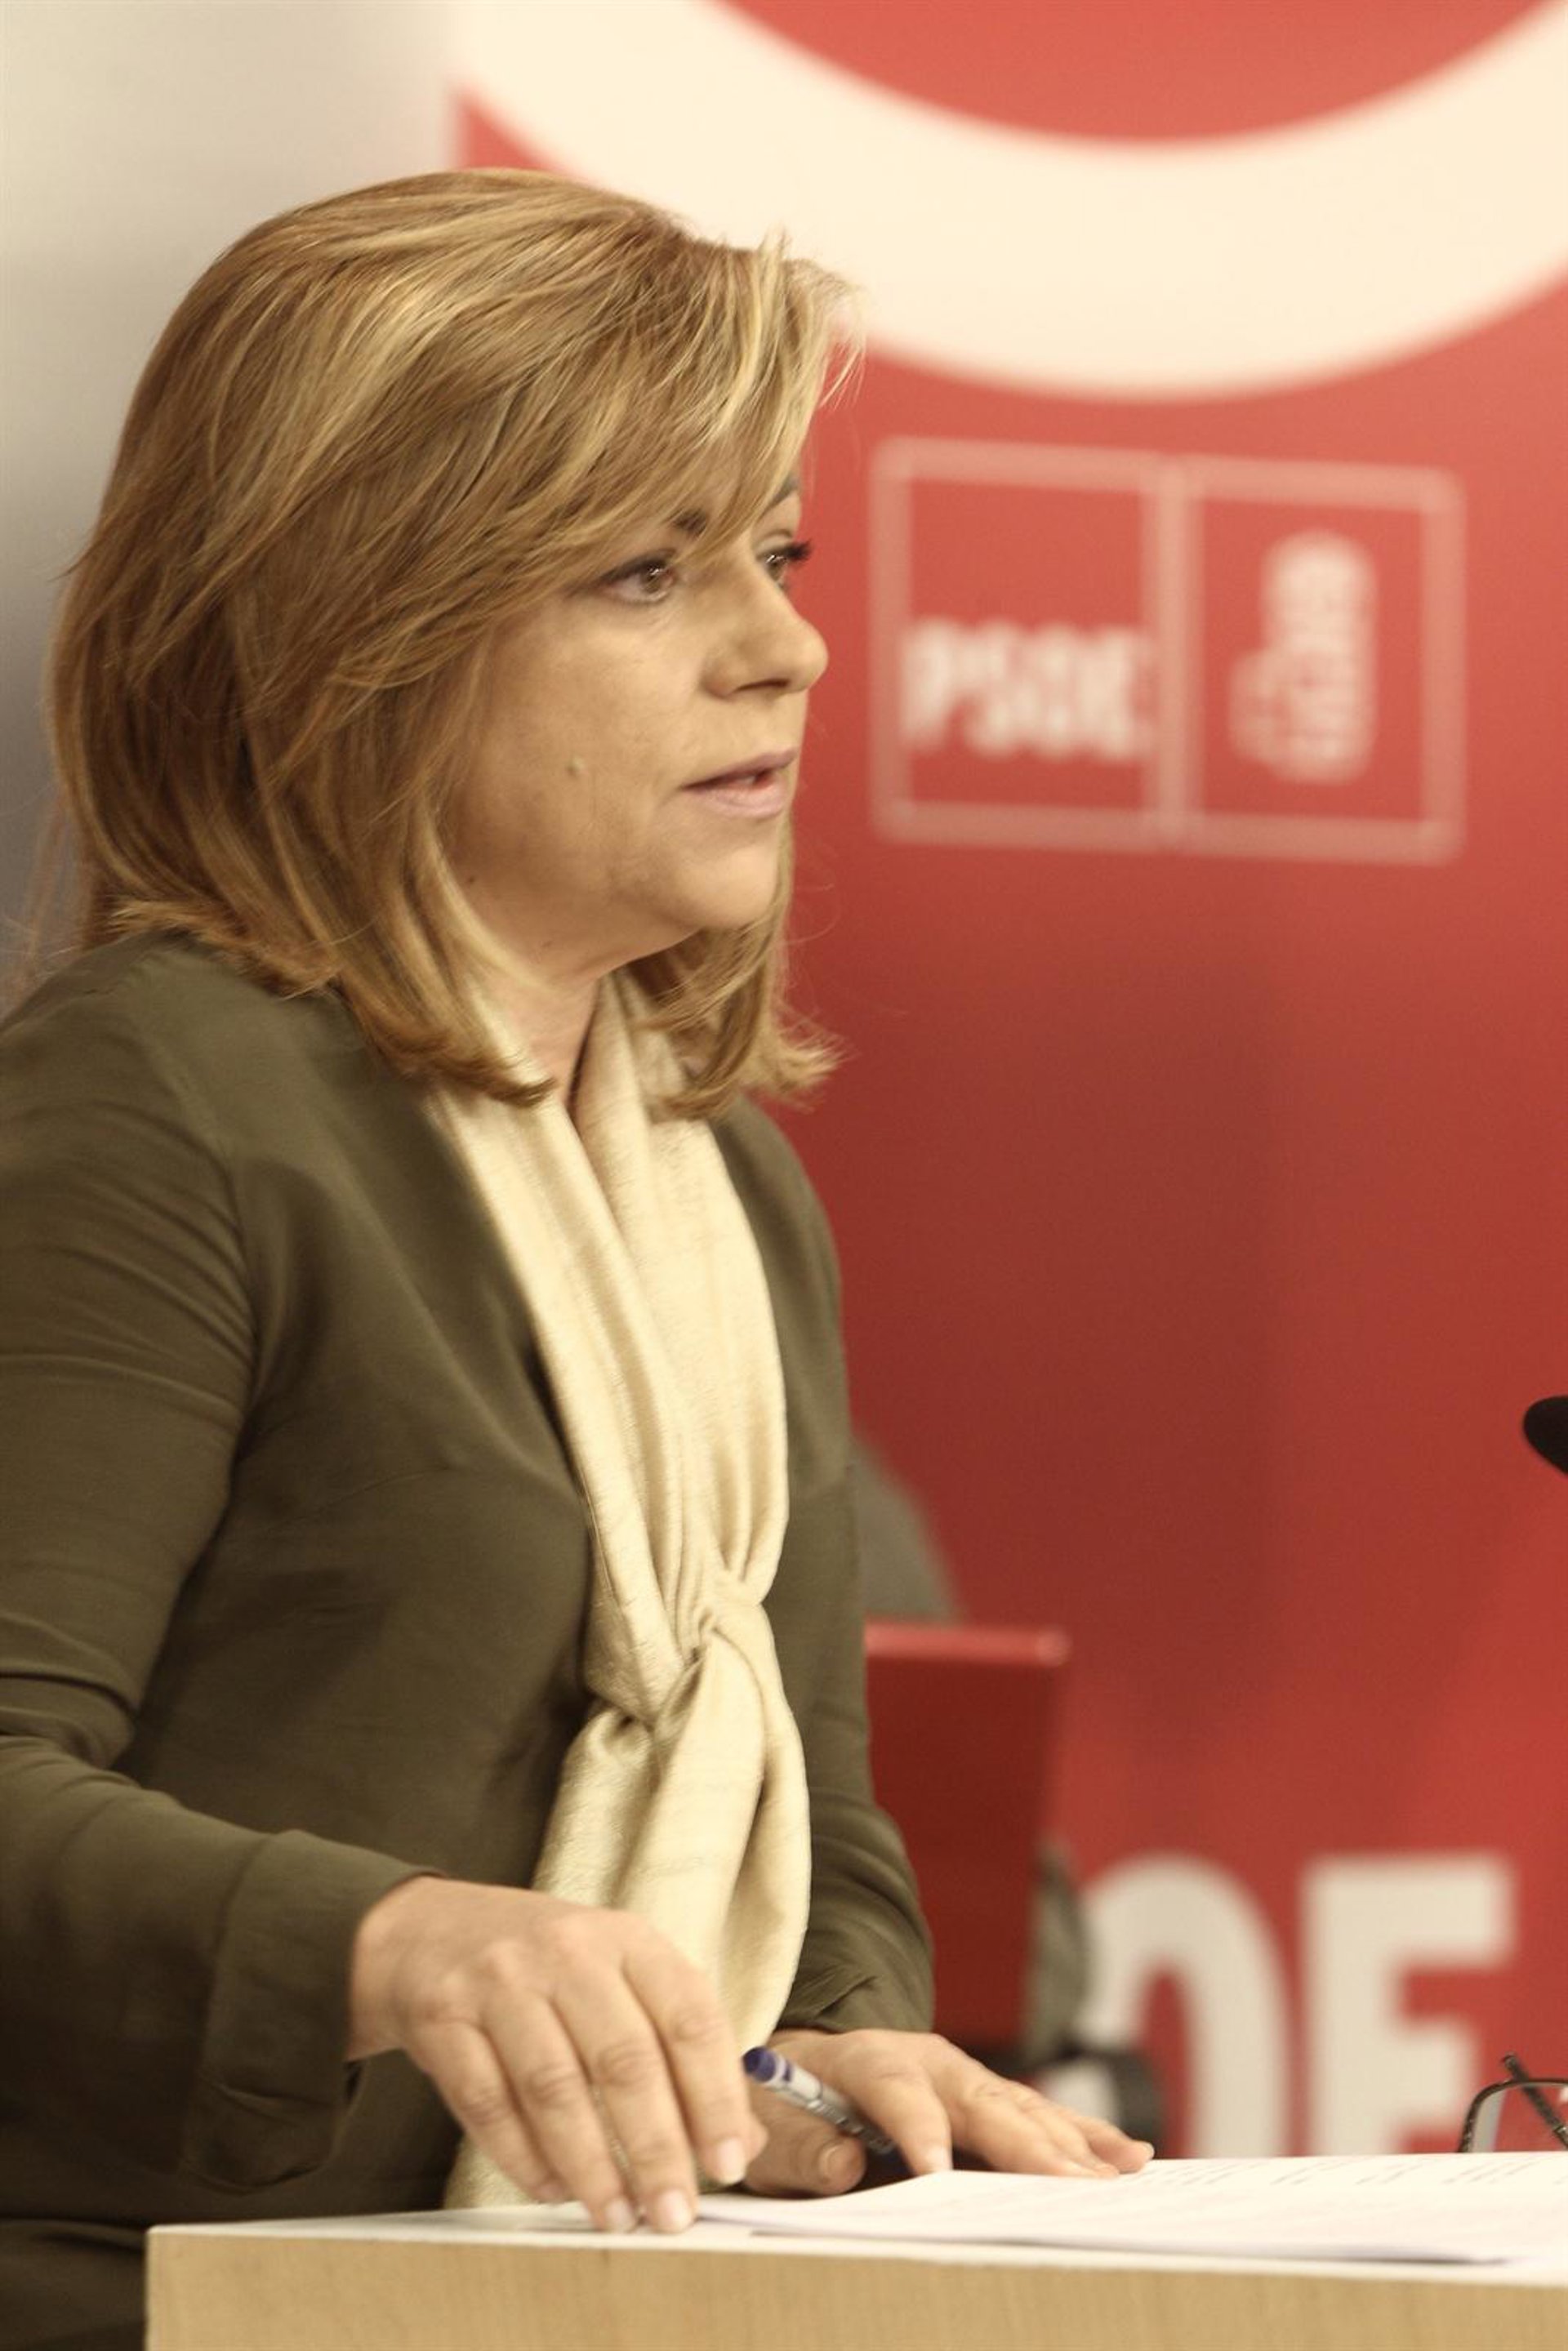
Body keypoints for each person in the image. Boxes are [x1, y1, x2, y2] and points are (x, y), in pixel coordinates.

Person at [0, 171, 1150, 2351]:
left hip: (613, 2290)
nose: (787, 645)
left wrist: (835, 2048)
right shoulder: (161, 1098)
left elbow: (827, 1816)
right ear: (360, 629)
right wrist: (398, 1945)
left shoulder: (720, 1181)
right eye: (644, 570)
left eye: (775, 554)